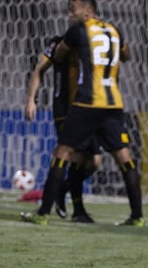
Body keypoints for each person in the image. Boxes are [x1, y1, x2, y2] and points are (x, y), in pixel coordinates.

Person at [21, 0, 144, 227]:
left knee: (64, 154)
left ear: (87, 11)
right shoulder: (114, 30)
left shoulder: (77, 32)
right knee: (124, 159)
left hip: (87, 103)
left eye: (73, 9)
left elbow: (59, 54)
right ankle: (137, 217)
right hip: (113, 104)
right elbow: (126, 55)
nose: (69, 14)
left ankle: (45, 212)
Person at [24, 31, 100, 224]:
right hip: (64, 109)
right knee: (69, 155)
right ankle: (76, 209)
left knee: (94, 161)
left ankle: (62, 190)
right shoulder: (58, 43)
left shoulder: (95, 42)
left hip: (90, 107)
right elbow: (39, 69)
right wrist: (31, 99)